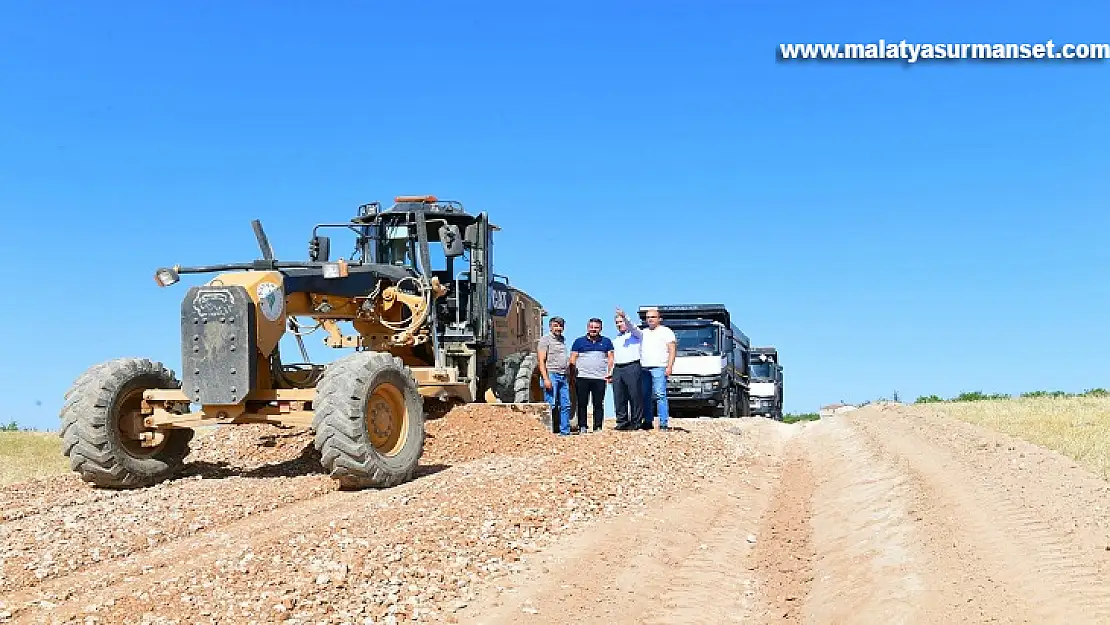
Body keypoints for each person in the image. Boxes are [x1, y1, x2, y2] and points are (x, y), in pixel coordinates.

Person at [569, 317, 615, 433]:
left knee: (598, 403)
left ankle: (598, 426)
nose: (593, 329)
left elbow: (611, 358)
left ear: (601, 329)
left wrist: (610, 373)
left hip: (600, 377)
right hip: (582, 377)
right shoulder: (579, 341)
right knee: (582, 403)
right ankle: (583, 426)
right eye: (591, 327)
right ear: (587, 328)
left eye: (596, 327)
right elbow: (573, 359)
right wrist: (571, 375)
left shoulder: (606, 342)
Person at [640, 307, 676, 431]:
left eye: (653, 317)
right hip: (644, 367)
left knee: (660, 394)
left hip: (659, 367)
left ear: (659, 319)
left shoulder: (666, 331)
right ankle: (648, 421)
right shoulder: (643, 332)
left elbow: (672, 349)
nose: (650, 319)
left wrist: (670, 366)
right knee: (646, 395)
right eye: (648, 317)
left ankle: (663, 422)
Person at [537, 316, 572, 436]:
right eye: (556, 325)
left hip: (563, 376)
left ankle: (565, 431)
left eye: (560, 326)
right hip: (551, 374)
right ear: (550, 326)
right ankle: (548, 432)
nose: (558, 328)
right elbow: (541, 360)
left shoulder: (562, 340)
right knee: (551, 404)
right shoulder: (545, 340)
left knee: (566, 405)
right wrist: (546, 378)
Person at [611, 307, 645, 431]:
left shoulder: (636, 335)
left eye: (621, 321)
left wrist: (625, 316)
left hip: (632, 366)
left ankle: (636, 422)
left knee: (635, 395)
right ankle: (622, 421)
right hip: (618, 368)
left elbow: (632, 326)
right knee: (619, 396)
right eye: (617, 323)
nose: (620, 324)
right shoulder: (615, 340)